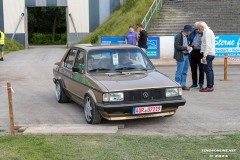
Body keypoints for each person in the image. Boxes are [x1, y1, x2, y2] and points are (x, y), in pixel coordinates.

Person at [197, 22, 215, 92]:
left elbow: (208, 45)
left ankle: (209, 86)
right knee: (210, 70)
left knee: (208, 71)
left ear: (202, 27)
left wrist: (204, 56)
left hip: (208, 54)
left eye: (199, 28)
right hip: (210, 54)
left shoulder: (207, 33)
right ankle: (211, 85)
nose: (198, 30)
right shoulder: (208, 31)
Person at [173, 25, 193, 90]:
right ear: (187, 31)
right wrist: (186, 48)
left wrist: (189, 47)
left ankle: (183, 84)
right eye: (190, 30)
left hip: (186, 55)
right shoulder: (179, 36)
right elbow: (176, 46)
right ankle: (177, 85)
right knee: (179, 71)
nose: (191, 32)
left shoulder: (187, 36)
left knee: (185, 71)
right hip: (181, 56)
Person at [189, 22, 204, 90]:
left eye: (198, 28)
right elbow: (189, 40)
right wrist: (191, 45)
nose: (197, 29)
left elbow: (205, 43)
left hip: (200, 52)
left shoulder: (203, 33)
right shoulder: (192, 33)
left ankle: (201, 83)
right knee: (193, 68)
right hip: (193, 51)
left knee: (201, 68)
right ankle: (194, 83)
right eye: (195, 28)